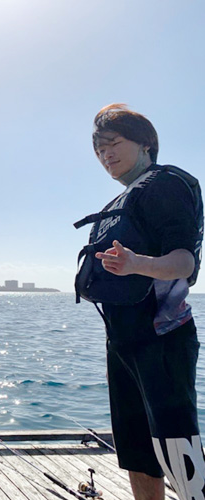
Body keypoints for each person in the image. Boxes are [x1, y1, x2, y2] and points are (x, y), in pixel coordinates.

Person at [74, 104, 204, 500]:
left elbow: (184, 262)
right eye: (99, 151)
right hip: (122, 342)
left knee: (177, 447)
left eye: (113, 144)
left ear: (145, 143)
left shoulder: (166, 184)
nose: (105, 155)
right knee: (136, 451)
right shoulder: (119, 202)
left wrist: (136, 264)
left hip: (162, 337)